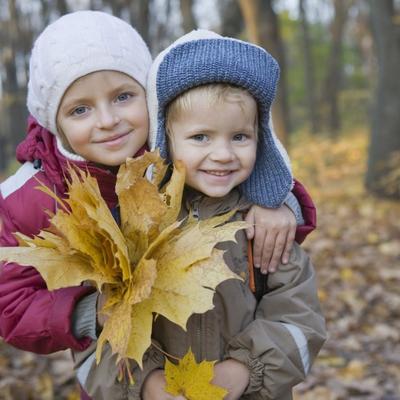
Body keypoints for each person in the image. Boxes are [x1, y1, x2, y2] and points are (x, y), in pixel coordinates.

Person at [0, 11, 316, 400]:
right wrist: (96, 321)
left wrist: (280, 203)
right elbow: (18, 306)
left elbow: (241, 153)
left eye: (123, 97)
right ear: (55, 121)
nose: (108, 120)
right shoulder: (34, 199)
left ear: (153, 106)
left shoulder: (185, 165)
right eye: (80, 109)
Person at [140, 30, 326, 399]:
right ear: (166, 140)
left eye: (239, 137)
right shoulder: (141, 227)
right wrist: (146, 382)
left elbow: (300, 319)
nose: (223, 154)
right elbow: (105, 326)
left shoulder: (263, 228)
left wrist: (246, 369)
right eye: (201, 138)